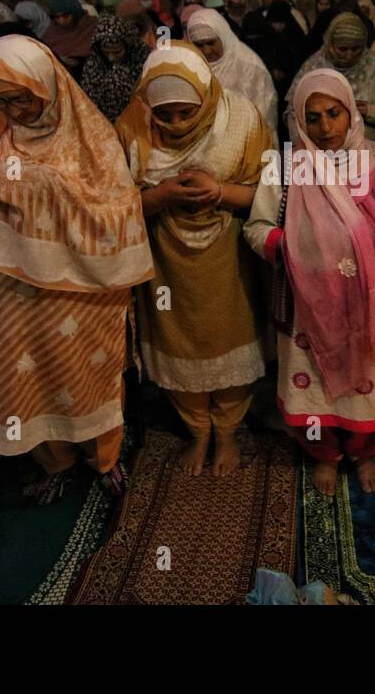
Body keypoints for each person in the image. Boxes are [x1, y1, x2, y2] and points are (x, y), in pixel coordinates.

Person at [0, 35, 153, 492]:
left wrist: (40, 187)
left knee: (86, 371)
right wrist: (17, 190)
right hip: (10, 287)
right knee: (21, 374)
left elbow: (117, 208)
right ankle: (54, 462)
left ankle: (102, 457)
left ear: (48, 87)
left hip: (82, 287)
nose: (14, 110)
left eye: (23, 98)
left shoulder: (91, 136)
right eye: (1, 100)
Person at [245, 69, 375, 496]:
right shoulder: (286, 165)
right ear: (297, 121)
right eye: (312, 117)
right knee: (312, 388)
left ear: (351, 113)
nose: (325, 128)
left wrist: (373, 245)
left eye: (334, 113)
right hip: (308, 306)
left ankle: (363, 453)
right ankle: (324, 455)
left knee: (369, 385)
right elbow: (256, 227)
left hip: (369, 302)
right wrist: (299, 248)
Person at [115, 42, 273, 476]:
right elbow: (113, 205)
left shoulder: (241, 119)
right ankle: (198, 431)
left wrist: (219, 192)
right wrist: (162, 195)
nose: (176, 123)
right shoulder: (133, 126)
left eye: (187, 112)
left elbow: (272, 194)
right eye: (165, 115)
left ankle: (226, 432)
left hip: (230, 256)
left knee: (230, 337)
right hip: (166, 261)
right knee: (177, 341)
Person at [290, 12, 375, 142]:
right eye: (343, 49)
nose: (349, 56)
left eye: (355, 49)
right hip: (322, 149)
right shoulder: (314, 67)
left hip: (366, 148)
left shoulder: (372, 64)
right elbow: (295, 113)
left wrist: (368, 111)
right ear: (331, 45)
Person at [186, 8, 279, 133]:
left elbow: (265, 118)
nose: (206, 51)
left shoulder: (250, 67)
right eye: (199, 45)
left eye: (211, 43)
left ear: (223, 36)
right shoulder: (189, 65)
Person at [81, 13, 150, 122]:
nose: (111, 58)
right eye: (106, 52)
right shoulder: (94, 63)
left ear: (127, 46)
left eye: (117, 52)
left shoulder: (142, 56)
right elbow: (88, 99)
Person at [42, 0, 100, 77]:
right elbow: (44, 53)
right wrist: (59, 59)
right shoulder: (53, 31)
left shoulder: (91, 25)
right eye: (56, 17)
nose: (61, 21)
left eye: (65, 15)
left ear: (75, 12)